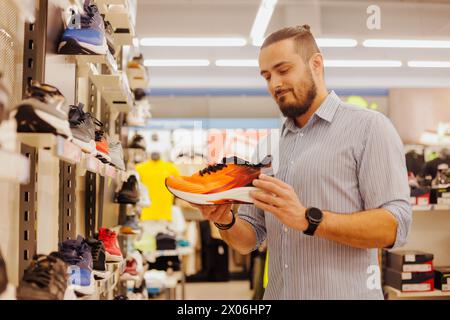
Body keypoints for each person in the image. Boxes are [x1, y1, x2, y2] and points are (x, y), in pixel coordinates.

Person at [193, 25, 412, 299]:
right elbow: (250, 238)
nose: (274, 84)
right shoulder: (268, 146)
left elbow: (395, 226)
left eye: (283, 70)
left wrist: (308, 219)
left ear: (316, 64)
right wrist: (225, 220)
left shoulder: (369, 128)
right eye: (267, 76)